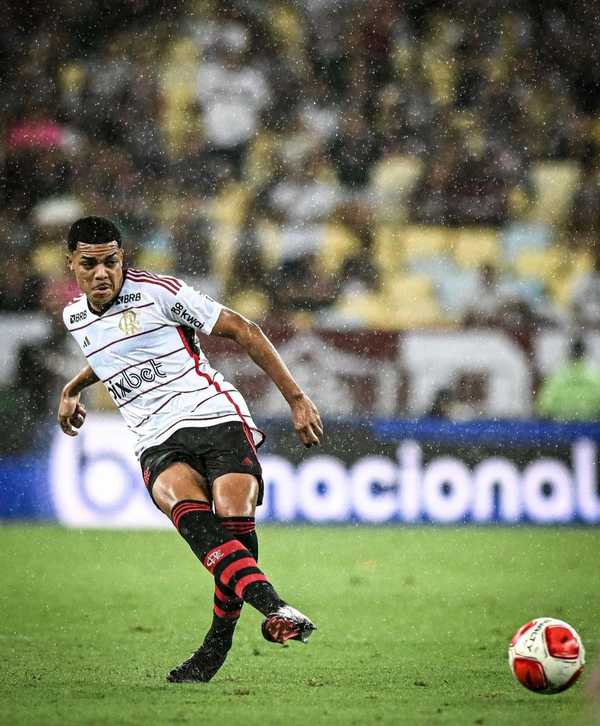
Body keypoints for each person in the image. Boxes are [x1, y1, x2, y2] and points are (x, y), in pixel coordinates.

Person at [57, 216, 323, 683]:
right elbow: (111, 354)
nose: (102, 273)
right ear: (72, 267)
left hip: (212, 415)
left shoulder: (161, 292)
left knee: (234, 520)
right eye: (90, 264)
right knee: (192, 516)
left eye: (111, 262)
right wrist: (73, 387)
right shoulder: (75, 316)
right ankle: (276, 609)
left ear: (123, 260)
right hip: (154, 438)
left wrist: (297, 399)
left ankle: (216, 645)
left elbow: (244, 329)